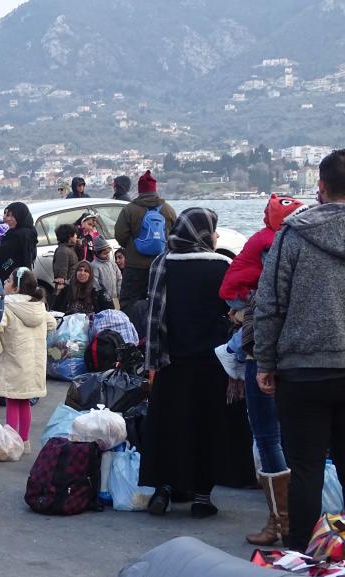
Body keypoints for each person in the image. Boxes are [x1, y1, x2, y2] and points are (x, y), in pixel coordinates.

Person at [254, 149, 345, 551]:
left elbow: (270, 303)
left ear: (320, 186)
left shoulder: (292, 235)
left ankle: (301, 555)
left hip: (302, 371)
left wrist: (266, 362)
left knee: (305, 470)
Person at [140, 208, 247, 519]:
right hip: (213, 364)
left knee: (170, 426)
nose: (215, 236)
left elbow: (154, 316)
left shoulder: (163, 263)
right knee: (208, 428)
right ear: (202, 233)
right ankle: (202, 497)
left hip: (172, 361)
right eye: (213, 230)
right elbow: (236, 311)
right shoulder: (223, 267)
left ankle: (163, 490)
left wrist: (153, 361)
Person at [220, 194, 305, 546]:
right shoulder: (304, 243)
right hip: (305, 356)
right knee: (302, 441)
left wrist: (245, 327)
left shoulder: (270, 243)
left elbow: (267, 302)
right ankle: (304, 521)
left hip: (265, 354)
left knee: (268, 437)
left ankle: (280, 523)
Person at [0, 267, 55, 454]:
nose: (4, 282)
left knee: (12, 401)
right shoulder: (38, 307)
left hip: (12, 361)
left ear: (15, 288)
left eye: (8, 280)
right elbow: (51, 322)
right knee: (24, 402)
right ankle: (25, 442)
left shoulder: (7, 306)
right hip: (32, 364)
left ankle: (12, 443)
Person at [114, 170, 177, 309]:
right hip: (160, 265)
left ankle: (133, 329)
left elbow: (120, 234)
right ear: (155, 189)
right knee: (160, 304)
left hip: (135, 266)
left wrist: (131, 246)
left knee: (129, 303)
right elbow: (175, 235)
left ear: (140, 190)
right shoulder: (168, 210)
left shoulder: (129, 209)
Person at [90, 236, 122, 310]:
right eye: (104, 253)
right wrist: (103, 295)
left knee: (117, 312)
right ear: (97, 253)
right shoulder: (94, 266)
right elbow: (95, 283)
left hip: (115, 297)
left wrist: (119, 290)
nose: (107, 255)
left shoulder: (112, 263)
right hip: (104, 299)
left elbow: (119, 277)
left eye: (108, 253)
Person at [52, 223, 79, 291]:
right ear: (69, 236)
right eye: (75, 234)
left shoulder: (69, 248)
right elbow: (61, 274)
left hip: (73, 286)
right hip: (68, 289)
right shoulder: (62, 252)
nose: (76, 236)